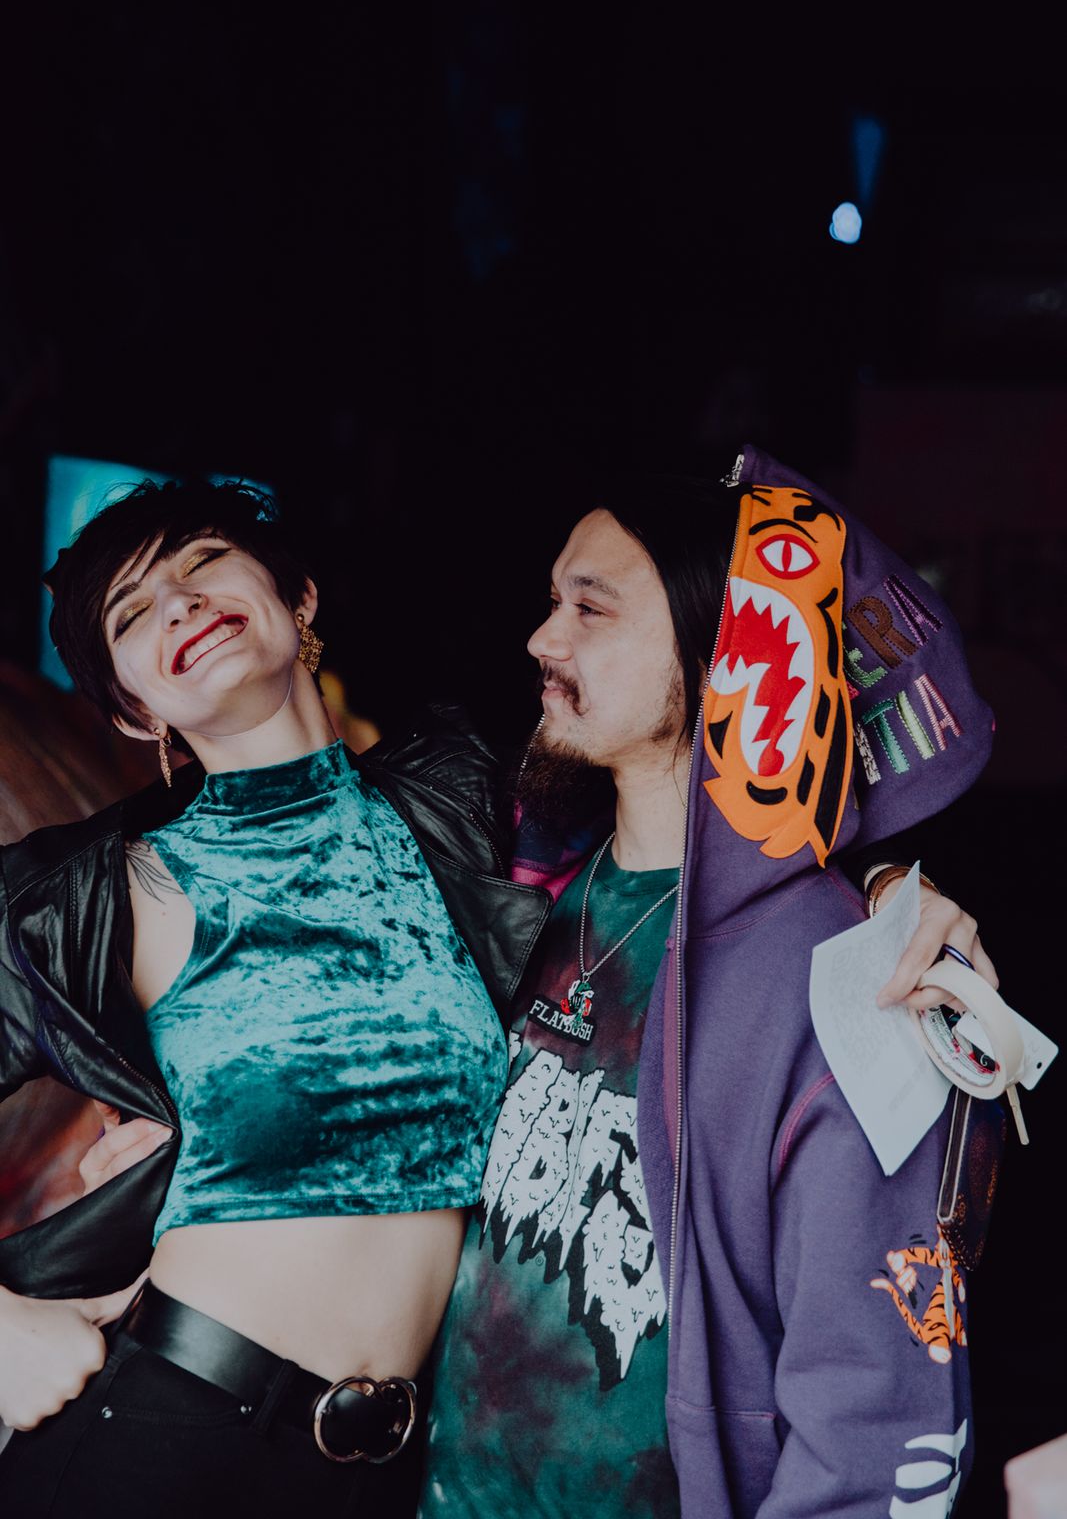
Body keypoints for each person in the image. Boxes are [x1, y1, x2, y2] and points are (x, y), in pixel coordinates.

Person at [417, 447, 1000, 1518]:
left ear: (725, 650)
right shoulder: (523, 889)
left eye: (590, 608)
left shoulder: (858, 982)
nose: (542, 638)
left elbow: (872, 1424)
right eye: (551, 601)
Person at [0, 479, 550, 1517]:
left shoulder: (454, 801)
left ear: (297, 598)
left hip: (392, 1473)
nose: (177, 601)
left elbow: (679, 822)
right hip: (163, 1441)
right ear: (131, 708)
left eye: (203, 560)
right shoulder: (104, 890)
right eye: (130, 613)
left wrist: (877, 888)